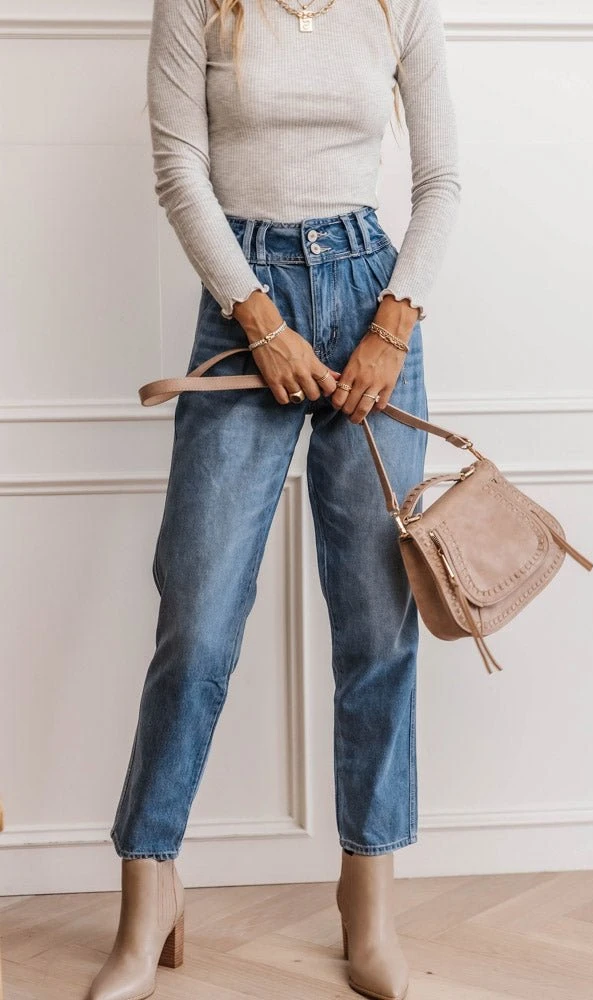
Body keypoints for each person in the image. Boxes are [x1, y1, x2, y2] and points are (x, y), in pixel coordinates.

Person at [86, 0, 460, 997]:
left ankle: (367, 895)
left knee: (377, 623)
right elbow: (179, 169)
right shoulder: (198, 4)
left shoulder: (398, 5)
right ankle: (149, 885)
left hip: (372, 300)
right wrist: (257, 318)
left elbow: (441, 180)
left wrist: (393, 324)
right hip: (241, 303)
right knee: (198, 619)